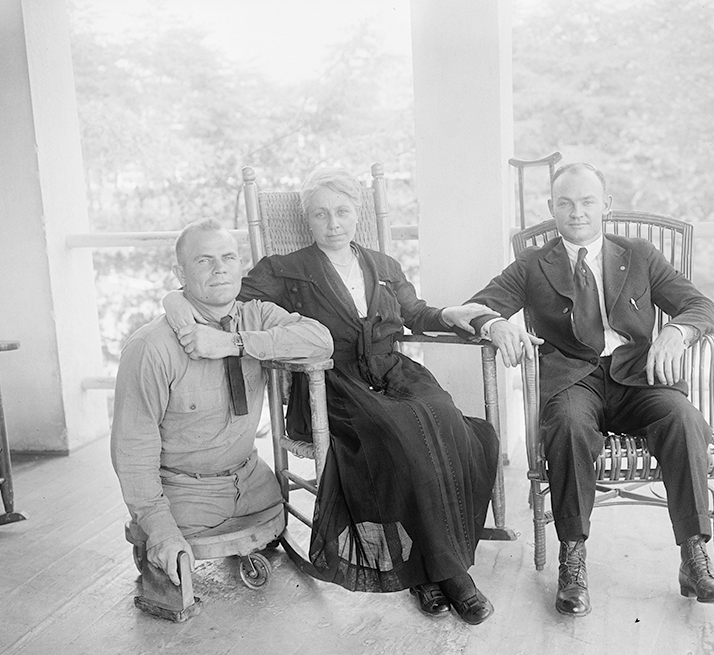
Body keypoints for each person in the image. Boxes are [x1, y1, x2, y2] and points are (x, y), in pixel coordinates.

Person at [163, 169, 502, 625]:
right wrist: (174, 300)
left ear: (357, 214)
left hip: (393, 372)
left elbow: (414, 313)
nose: (333, 223)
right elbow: (224, 296)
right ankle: (452, 575)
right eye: (321, 214)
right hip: (332, 382)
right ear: (308, 220)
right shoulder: (286, 269)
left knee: (449, 425)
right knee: (401, 437)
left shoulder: (383, 266)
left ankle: (423, 568)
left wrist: (450, 313)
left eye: (342, 211)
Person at [465, 162, 714, 616]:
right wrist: (493, 324)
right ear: (551, 209)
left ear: (605, 206)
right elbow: (479, 305)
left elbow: (700, 306)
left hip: (636, 377)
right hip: (573, 380)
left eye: (588, 202)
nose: (577, 212)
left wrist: (679, 332)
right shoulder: (533, 264)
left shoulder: (640, 254)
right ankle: (573, 561)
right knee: (567, 425)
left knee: (683, 416)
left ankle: (693, 555)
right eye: (565, 203)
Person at [111, 218, 334, 587]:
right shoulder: (151, 347)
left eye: (228, 257)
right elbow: (132, 450)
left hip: (253, 485)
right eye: (204, 261)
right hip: (187, 497)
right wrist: (161, 530)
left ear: (240, 266)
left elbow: (320, 340)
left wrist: (236, 344)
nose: (219, 269)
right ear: (178, 272)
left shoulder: (255, 316)